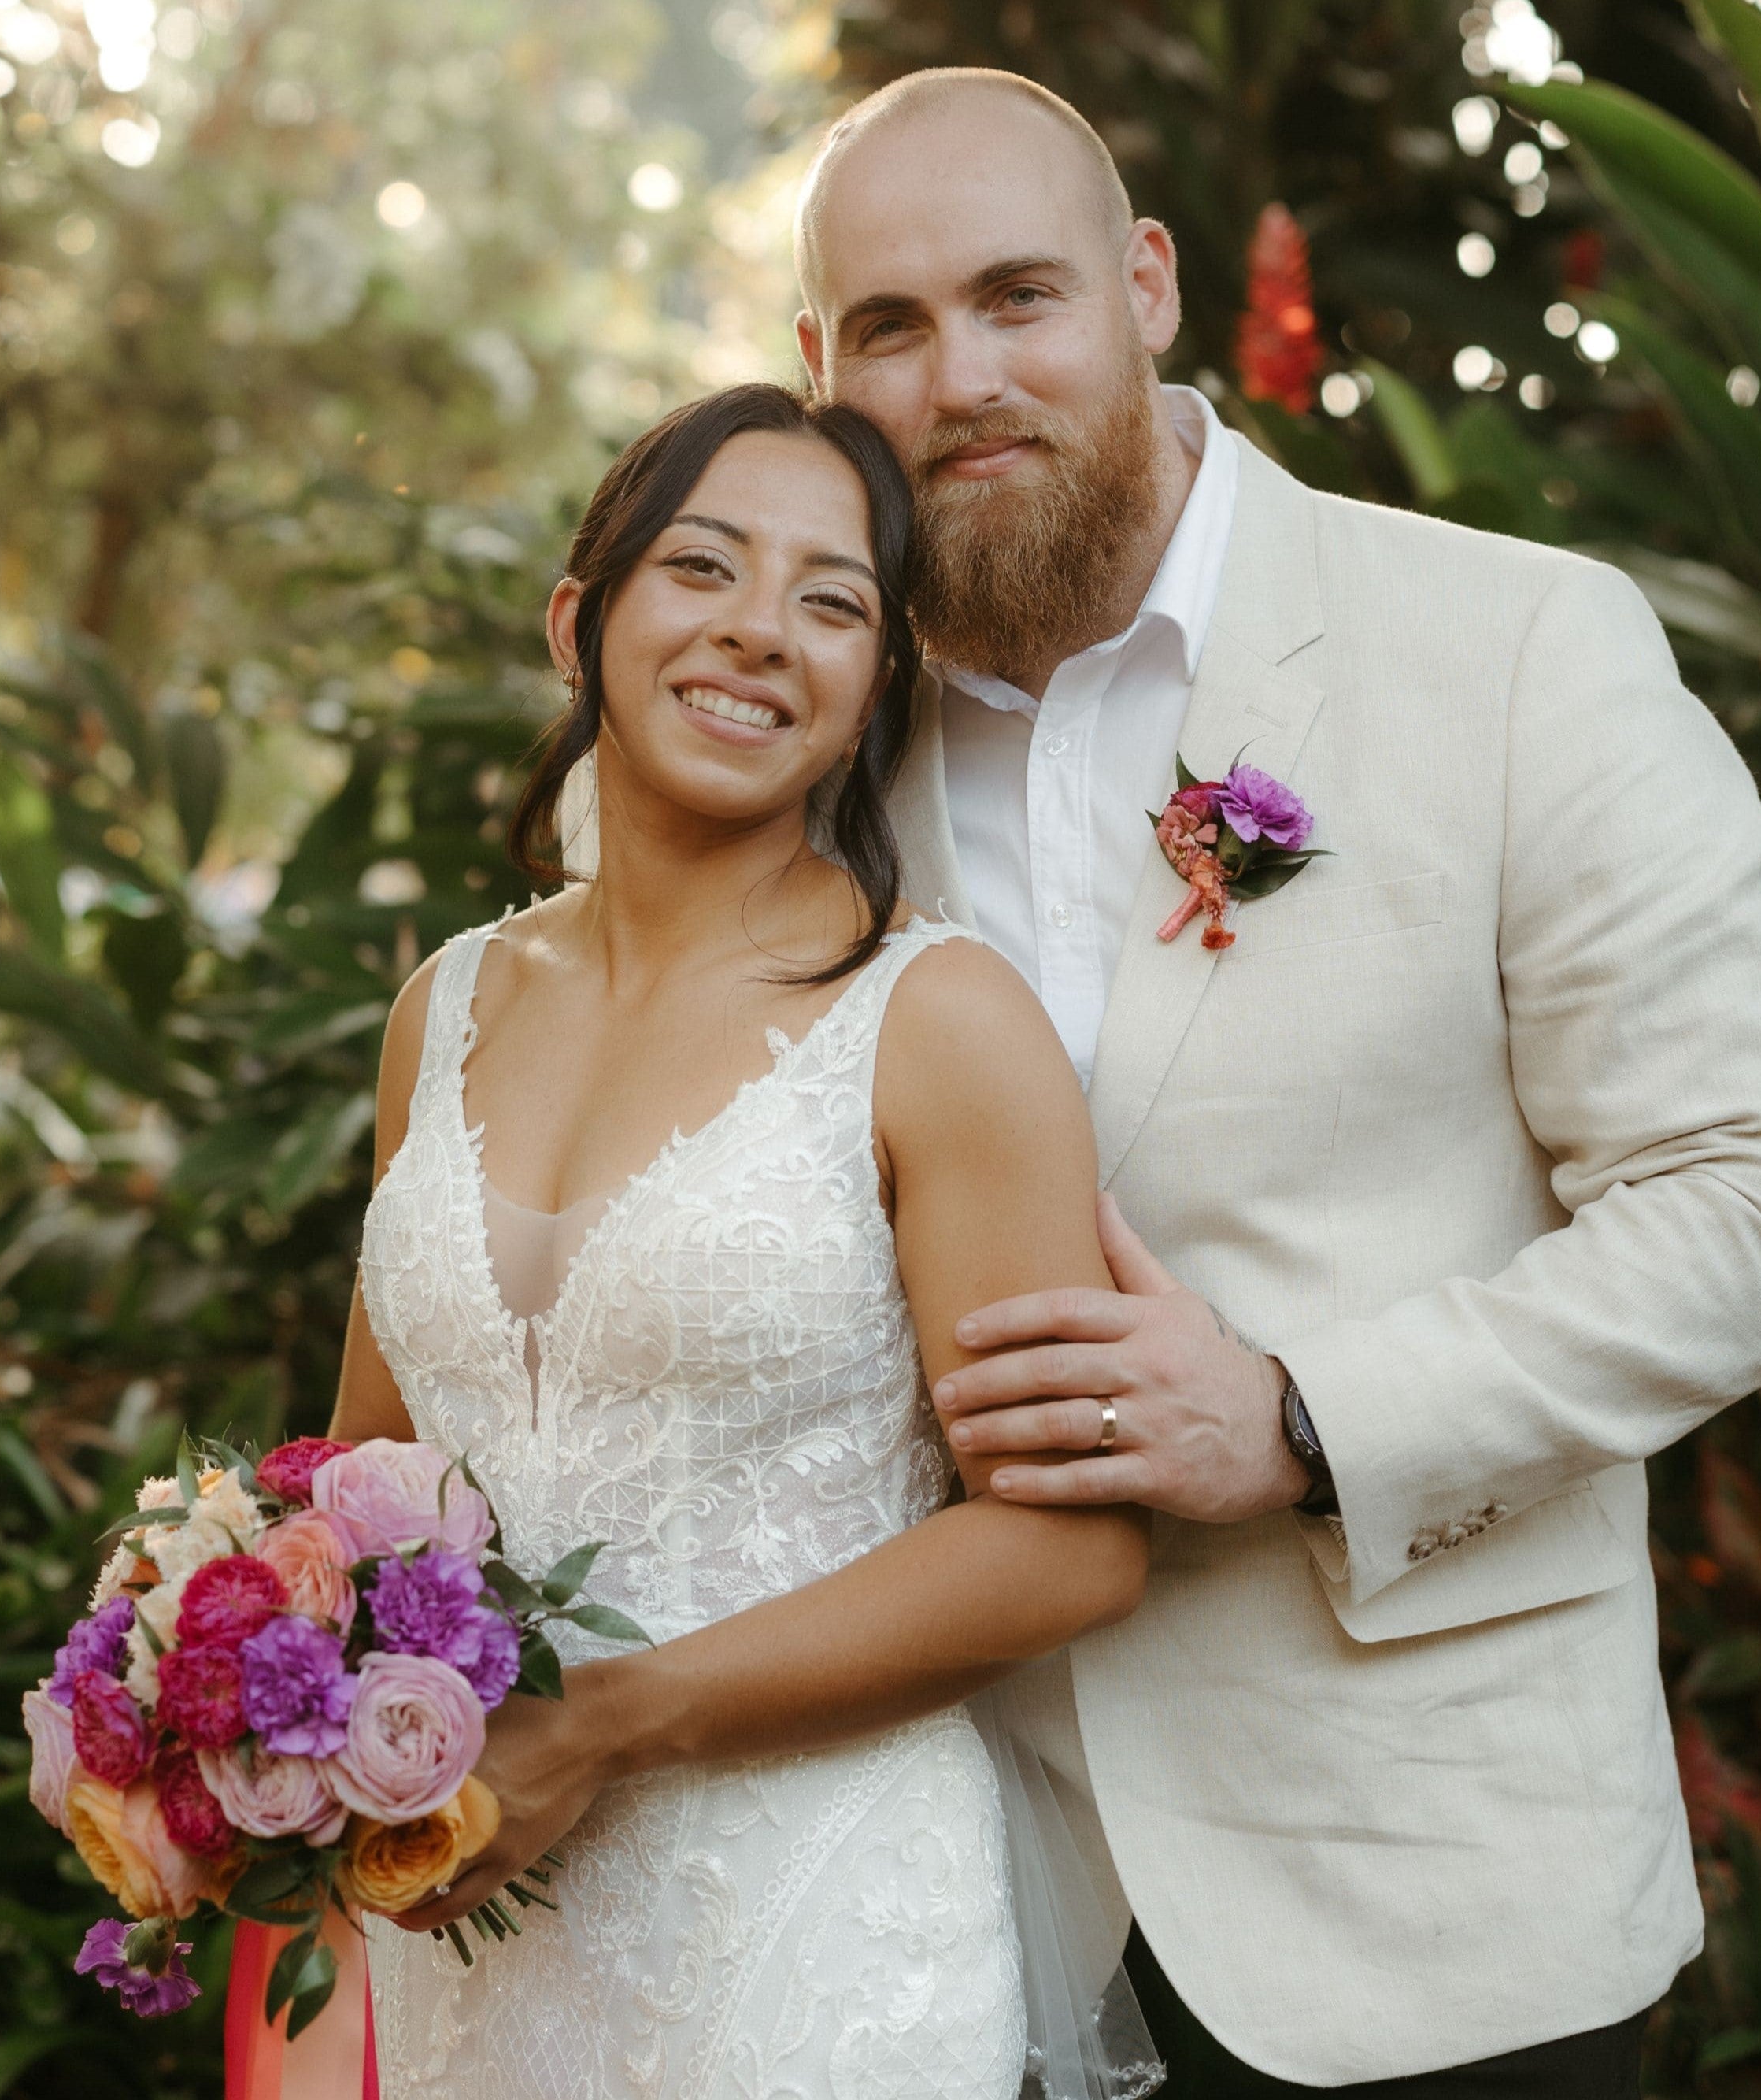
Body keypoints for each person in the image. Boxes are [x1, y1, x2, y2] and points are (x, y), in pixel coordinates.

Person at [780, 64, 1761, 2095]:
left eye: (1017, 295)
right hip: (930, 1922)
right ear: (814, 370)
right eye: (888, 329)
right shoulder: (796, 750)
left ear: (1148, 284)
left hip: (1430, 1909)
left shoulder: (1512, 647)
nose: (961, 375)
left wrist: (1300, 1419)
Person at [327, 381, 1159, 2098]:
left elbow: (1068, 1546)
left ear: (869, 697)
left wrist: (618, 1721)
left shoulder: (934, 1020)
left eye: (832, 601)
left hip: (810, 1944)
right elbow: (359, 1484)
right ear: (583, 620)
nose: (757, 632)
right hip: (474, 1941)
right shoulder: (444, 1007)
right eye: (700, 565)